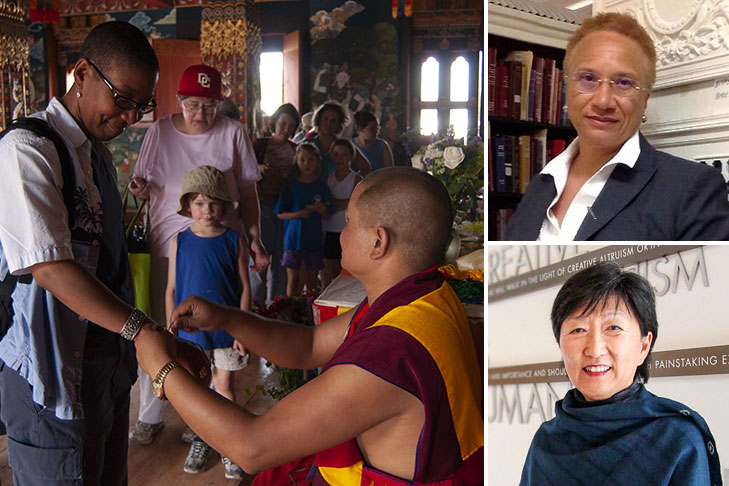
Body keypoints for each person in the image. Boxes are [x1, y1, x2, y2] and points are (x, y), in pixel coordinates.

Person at [133, 167, 484, 485]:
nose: (341, 233)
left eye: (348, 222)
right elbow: (311, 344)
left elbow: (251, 446)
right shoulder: (427, 296)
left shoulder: (389, 351)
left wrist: (163, 370)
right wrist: (227, 317)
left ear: (378, 241)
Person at [0, 21, 208, 486]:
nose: (132, 118)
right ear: (82, 72)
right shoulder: (27, 150)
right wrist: (142, 329)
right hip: (50, 379)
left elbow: (108, 270)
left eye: (143, 105)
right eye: (123, 100)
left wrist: (153, 338)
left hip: (105, 372)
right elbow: (51, 268)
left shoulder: (94, 157)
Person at [127, 63, 267, 445]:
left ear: (218, 104)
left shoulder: (233, 133)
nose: (201, 114)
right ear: (179, 101)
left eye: (209, 106)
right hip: (168, 248)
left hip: (219, 251)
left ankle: (201, 419)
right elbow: (144, 185)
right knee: (156, 330)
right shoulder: (159, 132)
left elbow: (249, 194)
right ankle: (150, 414)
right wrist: (139, 190)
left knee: (211, 335)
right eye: (192, 105)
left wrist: (254, 237)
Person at [504, 12, 729, 241]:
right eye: (589, 78)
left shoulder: (690, 189)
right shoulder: (540, 184)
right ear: (566, 87)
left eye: (624, 83)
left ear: (645, 99)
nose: (603, 101)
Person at [521, 262, 721, 485]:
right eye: (578, 330)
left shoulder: (676, 440)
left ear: (643, 346)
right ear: (560, 344)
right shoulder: (547, 441)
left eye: (613, 328)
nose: (595, 350)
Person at [167, 166, 250, 479]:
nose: (206, 210)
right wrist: (170, 326)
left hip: (227, 330)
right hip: (191, 331)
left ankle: (230, 445)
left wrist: (242, 329)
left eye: (213, 203)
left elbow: (244, 286)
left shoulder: (233, 240)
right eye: (199, 203)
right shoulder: (180, 241)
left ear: (223, 206)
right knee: (199, 387)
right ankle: (203, 437)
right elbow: (172, 288)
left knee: (225, 385)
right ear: (188, 204)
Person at [251, 103, 300, 307]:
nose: (286, 129)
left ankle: (277, 307)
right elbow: (244, 169)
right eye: (283, 123)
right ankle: (256, 306)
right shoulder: (259, 145)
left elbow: (301, 177)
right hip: (263, 205)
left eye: (291, 125)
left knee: (282, 260)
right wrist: (260, 168)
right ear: (274, 122)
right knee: (261, 258)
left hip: (287, 208)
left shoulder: (295, 149)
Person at [275, 143, 332, 296]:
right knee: (293, 281)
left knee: (312, 282)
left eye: (311, 160)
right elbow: (279, 214)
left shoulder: (321, 187)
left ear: (317, 162)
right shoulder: (291, 186)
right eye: (302, 160)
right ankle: (290, 315)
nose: (306, 164)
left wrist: (322, 210)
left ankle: (309, 315)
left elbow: (328, 215)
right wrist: (297, 214)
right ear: (297, 161)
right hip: (293, 241)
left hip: (313, 240)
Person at [321, 139, 361, 289]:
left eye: (344, 154)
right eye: (336, 154)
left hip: (346, 230)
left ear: (351, 156)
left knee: (343, 275)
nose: (340, 158)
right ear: (332, 156)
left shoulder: (356, 179)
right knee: (326, 274)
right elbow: (326, 205)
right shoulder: (327, 179)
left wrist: (336, 203)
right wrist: (339, 203)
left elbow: (355, 204)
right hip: (329, 230)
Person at [308, 101, 371, 179]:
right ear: (319, 121)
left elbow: (366, 167)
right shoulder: (308, 144)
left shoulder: (345, 146)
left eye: (333, 120)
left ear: (339, 124)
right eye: (326, 119)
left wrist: (353, 183)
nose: (329, 124)